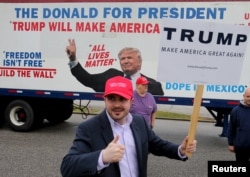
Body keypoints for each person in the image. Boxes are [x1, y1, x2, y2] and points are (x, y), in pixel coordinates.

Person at [60, 76, 197, 177]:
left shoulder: (139, 122)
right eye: (112, 99)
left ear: (131, 101)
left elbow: (157, 144)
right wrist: (102, 157)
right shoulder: (89, 128)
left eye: (122, 99)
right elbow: (67, 167)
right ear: (105, 100)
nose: (117, 104)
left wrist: (180, 150)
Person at [66, 39, 164, 95]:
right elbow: (87, 79)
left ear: (139, 62)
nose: (125, 61)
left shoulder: (153, 85)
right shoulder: (110, 76)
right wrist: (73, 58)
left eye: (129, 58)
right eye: (122, 59)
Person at [227, 87, 250, 161]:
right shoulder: (236, 110)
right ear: (244, 96)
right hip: (241, 147)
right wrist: (230, 143)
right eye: (248, 96)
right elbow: (231, 128)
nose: (249, 98)